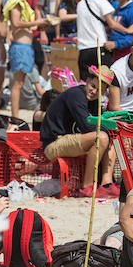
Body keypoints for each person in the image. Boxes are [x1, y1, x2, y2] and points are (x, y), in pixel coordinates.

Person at [39, 65, 116, 197]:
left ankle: (106, 184)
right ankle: (87, 187)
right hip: (54, 143)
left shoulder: (94, 101)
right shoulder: (76, 94)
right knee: (102, 137)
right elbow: (86, 125)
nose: (94, 91)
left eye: (99, 90)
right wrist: (108, 130)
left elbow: (99, 123)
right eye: (93, 86)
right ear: (87, 81)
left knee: (111, 137)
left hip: (69, 140)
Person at [4, 0, 50, 119]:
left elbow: (23, 26)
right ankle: (15, 117)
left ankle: (15, 116)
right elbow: (16, 23)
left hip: (24, 46)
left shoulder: (20, 1)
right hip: (20, 47)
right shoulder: (17, 0)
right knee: (17, 84)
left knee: (20, 82)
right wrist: (37, 22)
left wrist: (39, 27)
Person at [76, 0, 133, 81]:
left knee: (86, 84)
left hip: (83, 50)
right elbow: (112, 23)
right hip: (99, 48)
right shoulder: (101, 2)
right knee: (105, 83)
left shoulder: (81, 3)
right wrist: (127, 30)